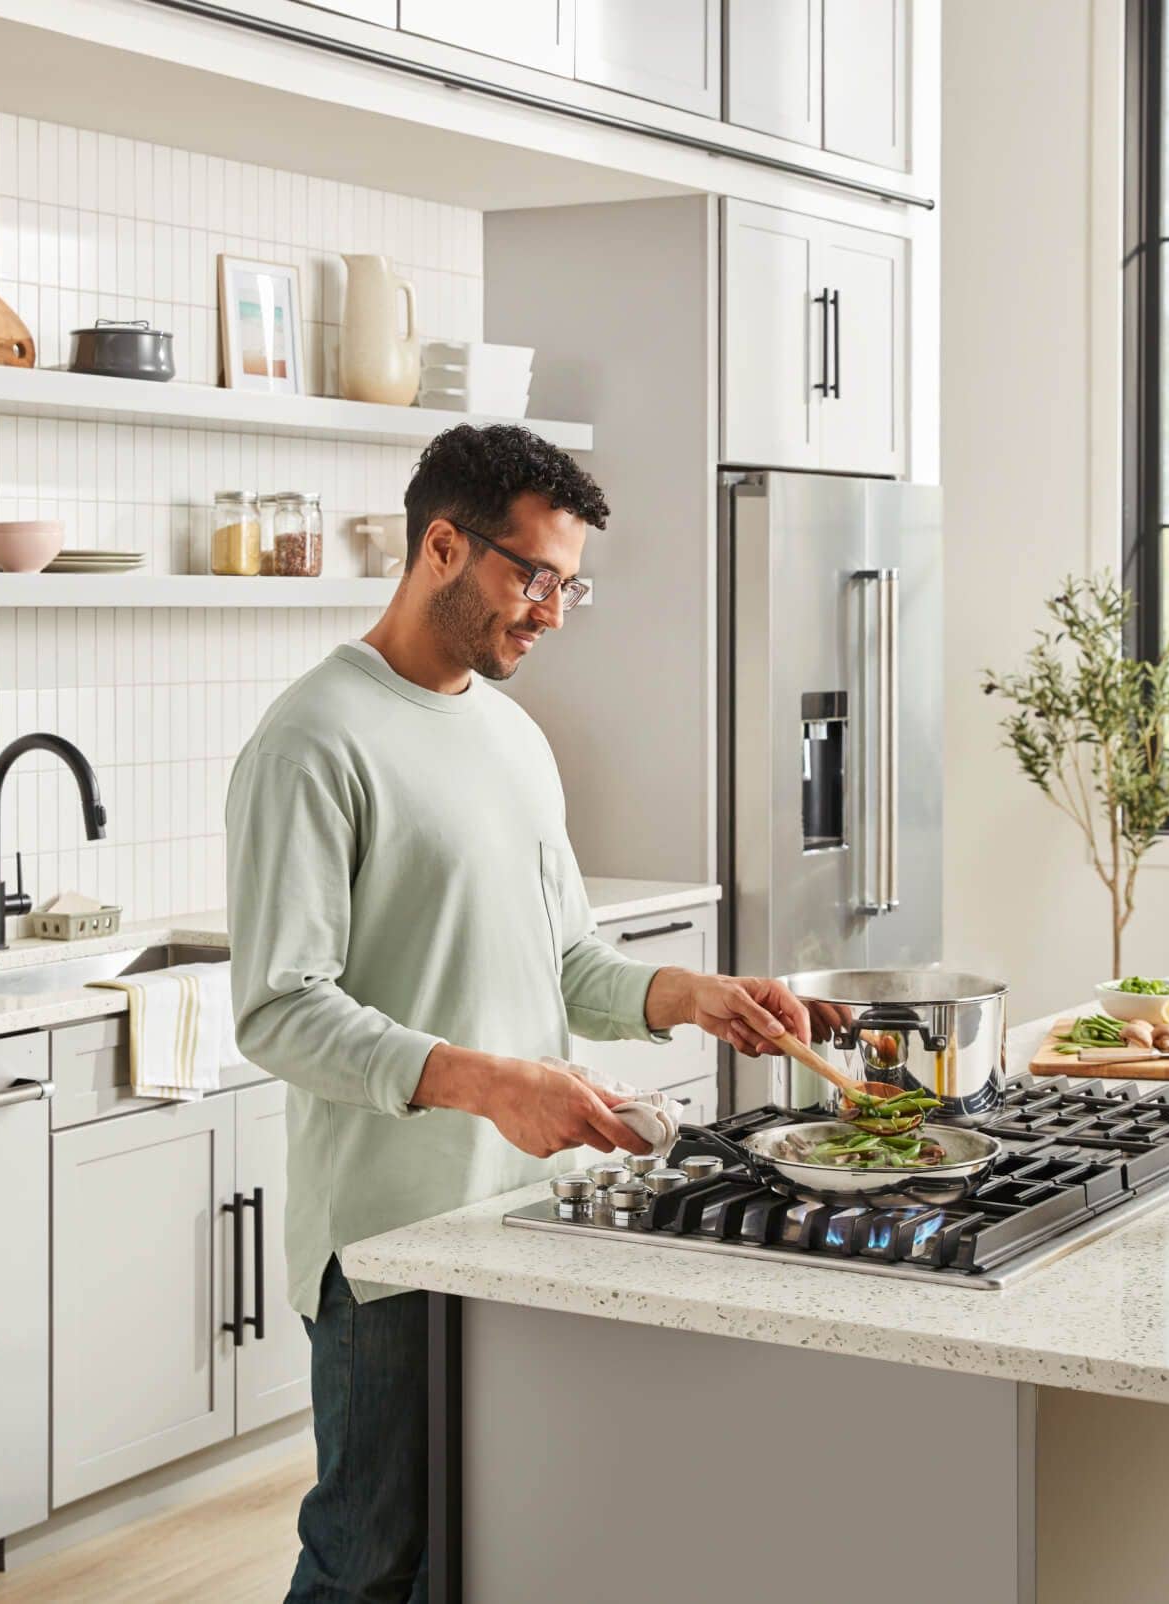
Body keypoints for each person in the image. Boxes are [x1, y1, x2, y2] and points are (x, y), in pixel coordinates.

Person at [225, 423, 838, 1603]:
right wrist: (494, 1081)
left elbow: (562, 960)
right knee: (367, 1560)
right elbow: (279, 1010)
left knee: (493, 1551)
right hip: (391, 1244)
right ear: (442, 546)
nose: (554, 609)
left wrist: (692, 996)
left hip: (528, 1223)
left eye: (571, 583)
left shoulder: (512, 735)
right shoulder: (313, 738)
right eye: (534, 576)